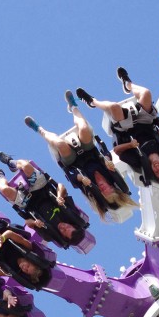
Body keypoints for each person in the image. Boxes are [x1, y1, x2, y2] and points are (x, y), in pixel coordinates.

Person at [25, 92, 137, 221]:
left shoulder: (88, 189)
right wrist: (107, 161)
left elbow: (72, 177)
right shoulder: (112, 176)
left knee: (60, 144)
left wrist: (81, 178)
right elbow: (105, 155)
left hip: (73, 161)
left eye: (104, 193)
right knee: (84, 128)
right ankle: (73, 107)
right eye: (110, 190)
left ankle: (39, 130)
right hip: (90, 152)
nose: (105, 188)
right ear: (114, 188)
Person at [74, 67, 159, 184]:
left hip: (126, 130)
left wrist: (130, 145)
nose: (158, 167)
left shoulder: (138, 161)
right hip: (146, 122)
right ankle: (128, 84)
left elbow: (117, 151)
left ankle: (92, 102)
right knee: (146, 93)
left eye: (157, 171)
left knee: (114, 107)